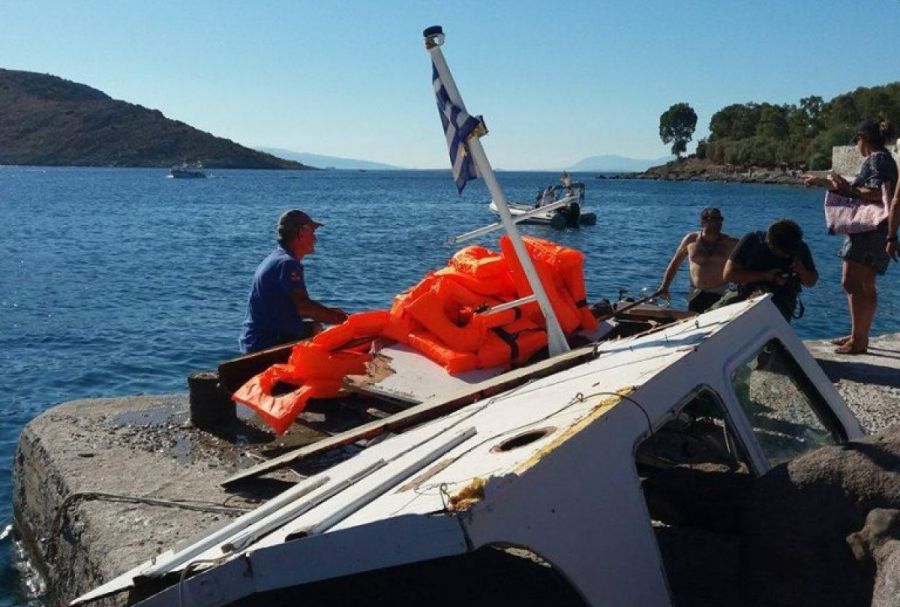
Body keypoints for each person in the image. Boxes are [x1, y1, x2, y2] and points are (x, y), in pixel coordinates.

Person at [802, 119, 898, 353]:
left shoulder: (877, 159)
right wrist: (823, 182)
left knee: (850, 281)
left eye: (856, 140)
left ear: (862, 139)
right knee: (866, 283)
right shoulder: (885, 159)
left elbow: (876, 193)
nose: (856, 145)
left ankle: (859, 340)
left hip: (868, 229)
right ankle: (859, 334)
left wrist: (849, 189)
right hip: (880, 229)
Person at [239, 210, 348, 354]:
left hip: (257, 340)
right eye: (313, 233)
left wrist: (329, 313)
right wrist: (346, 320)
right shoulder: (287, 264)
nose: (315, 239)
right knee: (344, 341)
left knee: (317, 328)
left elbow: (290, 308)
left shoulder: (276, 259)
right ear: (301, 233)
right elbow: (304, 307)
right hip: (266, 344)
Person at [721, 219, 818, 322]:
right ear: (770, 243)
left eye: (790, 252)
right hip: (744, 294)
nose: (787, 255)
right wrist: (766, 276)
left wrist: (802, 271)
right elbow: (728, 274)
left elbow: (811, 282)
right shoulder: (753, 241)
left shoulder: (799, 248)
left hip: (781, 302)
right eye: (783, 252)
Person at [659, 207, 738, 313]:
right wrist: (664, 287)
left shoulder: (730, 243)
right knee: (694, 321)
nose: (719, 223)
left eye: (720, 219)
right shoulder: (691, 240)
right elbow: (675, 263)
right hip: (696, 294)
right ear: (703, 221)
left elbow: (747, 261)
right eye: (714, 219)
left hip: (720, 294)